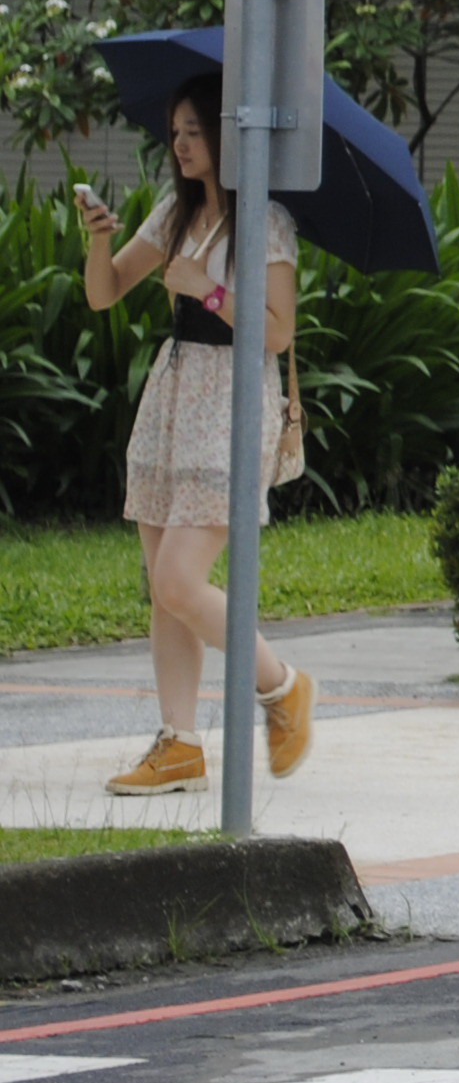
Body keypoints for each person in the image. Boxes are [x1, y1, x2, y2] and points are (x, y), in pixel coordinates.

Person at [74, 79, 317, 796]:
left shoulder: (265, 223)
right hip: (175, 395)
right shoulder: (175, 216)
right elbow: (104, 291)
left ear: (227, 137)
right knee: (163, 591)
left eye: (193, 132)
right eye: (175, 132)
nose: (180, 145)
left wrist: (204, 290)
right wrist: (100, 239)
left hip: (235, 401)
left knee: (178, 579)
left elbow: (277, 331)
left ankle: (281, 685)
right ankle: (179, 743)